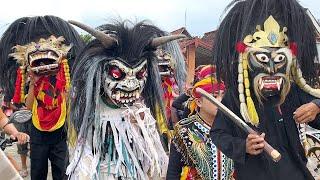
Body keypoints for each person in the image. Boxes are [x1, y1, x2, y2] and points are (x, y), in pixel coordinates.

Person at [210, 0, 320, 179]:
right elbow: (218, 134)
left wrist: (316, 106)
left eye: (278, 61)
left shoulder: (293, 92)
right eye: (262, 58)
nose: (271, 69)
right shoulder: (237, 97)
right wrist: (243, 146)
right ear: (247, 60)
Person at [65, 20, 185, 179]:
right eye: (117, 74)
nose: (131, 84)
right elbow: (82, 145)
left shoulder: (141, 111)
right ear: (101, 72)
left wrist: (142, 126)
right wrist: (85, 170)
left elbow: (152, 152)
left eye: (140, 74)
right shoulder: (90, 109)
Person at [0, 16, 84, 180]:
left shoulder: (62, 82)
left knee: (62, 174)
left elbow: (68, 101)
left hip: (60, 135)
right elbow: (29, 106)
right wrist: (33, 83)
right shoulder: (34, 84)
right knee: (38, 174)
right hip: (38, 136)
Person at [167, 65, 234, 179]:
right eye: (214, 96)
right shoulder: (184, 131)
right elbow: (173, 172)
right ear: (199, 102)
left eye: (222, 96)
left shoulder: (233, 129)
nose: (220, 101)